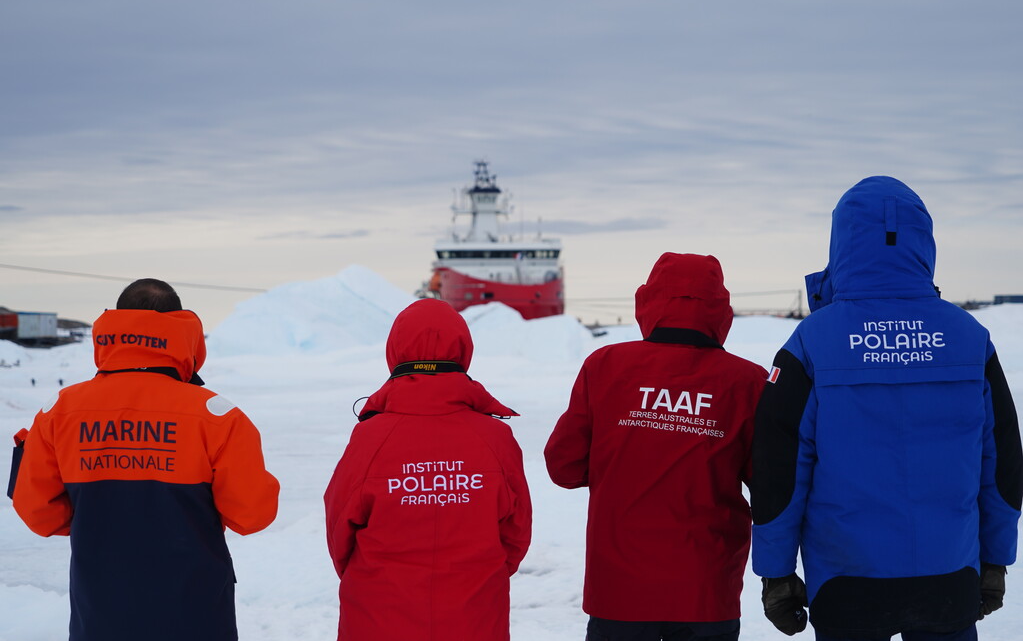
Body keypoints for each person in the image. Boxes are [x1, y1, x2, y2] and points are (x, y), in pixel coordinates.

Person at [751, 176, 1023, 641]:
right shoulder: (969, 338)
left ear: (841, 242)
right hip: (949, 574)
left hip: (847, 580)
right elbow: (1001, 460)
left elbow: (779, 468)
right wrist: (995, 559)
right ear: (923, 241)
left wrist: (776, 574)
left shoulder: (811, 342)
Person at [11, 278, 280, 641]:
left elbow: (39, 514)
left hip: (100, 614)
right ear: (185, 331)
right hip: (196, 616)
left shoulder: (60, 412)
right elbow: (251, 515)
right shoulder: (218, 417)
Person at [545, 252, 768, 641]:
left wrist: (620, 461)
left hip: (619, 590)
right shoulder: (747, 381)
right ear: (721, 309)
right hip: (707, 589)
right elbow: (770, 482)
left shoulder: (605, 366)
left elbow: (563, 466)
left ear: (647, 301)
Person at [324, 298, 532, 641]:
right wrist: (480, 578)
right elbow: (516, 531)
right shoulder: (495, 438)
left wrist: (371, 579)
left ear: (395, 352)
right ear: (463, 350)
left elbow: (339, 528)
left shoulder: (371, 437)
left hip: (379, 618)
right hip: (474, 618)